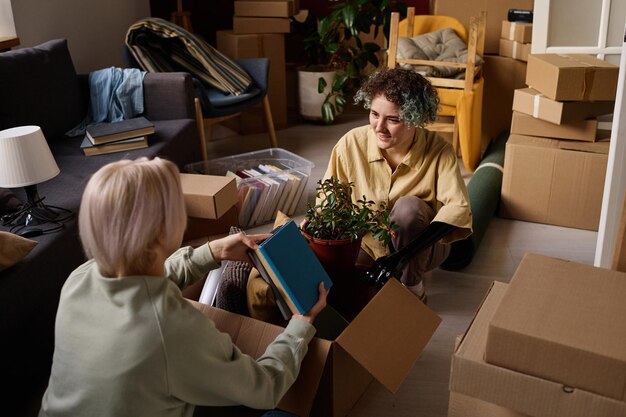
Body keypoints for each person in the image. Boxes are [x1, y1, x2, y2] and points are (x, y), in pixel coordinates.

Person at [39, 157, 328, 417]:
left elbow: (144, 280)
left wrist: (211, 252)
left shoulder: (79, 279)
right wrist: (299, 328)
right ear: (164, 230)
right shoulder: (173, 328)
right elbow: (265, 387)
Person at [321, 67, 472, 301]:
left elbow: (458, 209)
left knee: (408, 209)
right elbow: (327, 205)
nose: (379, 127)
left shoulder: (440, 150)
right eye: (374, 114)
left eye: (393, 119)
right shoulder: (350, 144)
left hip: (423, 249)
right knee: (351, 293)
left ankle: (413, 288)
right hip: (369, 246)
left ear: (417, 118)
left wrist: (403, 256)